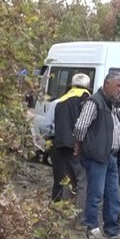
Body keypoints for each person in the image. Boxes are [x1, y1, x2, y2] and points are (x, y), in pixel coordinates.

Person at [74, 71, 120, 239]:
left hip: (111, 156)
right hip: (97, 156)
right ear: (106, 84)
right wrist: (82, 145)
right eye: (118, 86)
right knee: (96, 193)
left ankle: (112, 230)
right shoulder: (94, 102)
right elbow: (80, 126)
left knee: (113, 195)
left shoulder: (112, 104)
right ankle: (92, 228)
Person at [50, 73, 91, 204]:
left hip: (61, 145)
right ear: (88, 86)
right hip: (77, 147)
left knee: (66, 180)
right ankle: (79, 216)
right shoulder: (86, 99)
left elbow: (48, 126)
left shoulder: (60, 100)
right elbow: (86, 124)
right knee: (82, 181)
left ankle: (64, 212)